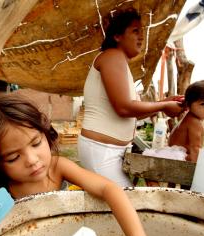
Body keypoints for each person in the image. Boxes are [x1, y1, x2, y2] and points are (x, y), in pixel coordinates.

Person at [0, 93, 153, 236]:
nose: (31, 160)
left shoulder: (58, 166)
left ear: (46, 134)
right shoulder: (2, 193)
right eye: (13, 157)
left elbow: (109, 188)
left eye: (36, 143)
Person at [78, 8, 184, 187]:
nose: (141, 37)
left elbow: (131, 112)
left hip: (108, 150)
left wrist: (164, 102)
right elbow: (124, 108)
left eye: (141, 32)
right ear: (117, 36)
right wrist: (162, 107)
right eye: (135, 31)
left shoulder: (117, 60)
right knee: (125, 206)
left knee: (116, 208)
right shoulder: (112, 56)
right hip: (102, 151)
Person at [169, 80, 204, 162]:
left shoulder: (194, 118)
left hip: (176, 154)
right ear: (188, 104)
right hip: (178, 158)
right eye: (203, 104)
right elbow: (195, 148)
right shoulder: (194, 122)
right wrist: (198, 170)